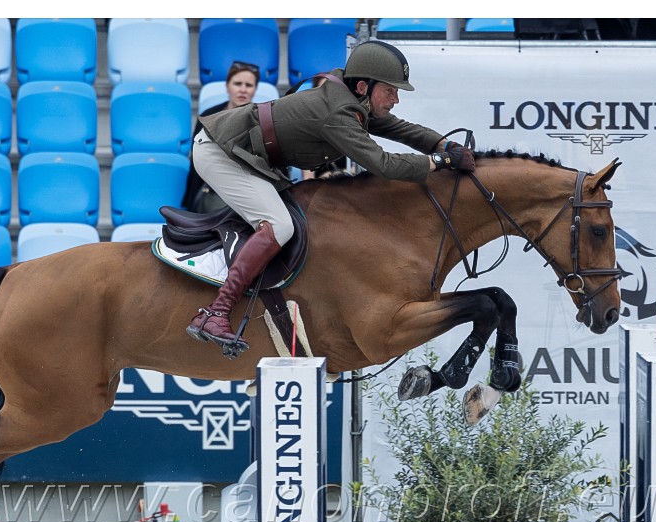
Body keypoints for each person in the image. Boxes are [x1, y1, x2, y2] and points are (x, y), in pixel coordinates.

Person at [186, 40, 475, 353]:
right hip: (220, 153)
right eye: (391, 91)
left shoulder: (353, 95)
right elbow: (383, 164)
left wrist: (445, 146)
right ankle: (215, 313)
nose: (395, 99)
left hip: (245, 154)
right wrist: (442, 162)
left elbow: (400, 129)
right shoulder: (338, 112)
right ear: (365, 86)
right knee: (280, 225)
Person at [182, 61, 261, 213]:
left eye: (249, 85)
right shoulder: (208, 116)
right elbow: (197, 163)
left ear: (255, 89)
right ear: (227, 86)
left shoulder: (262, 118)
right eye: (237, 83)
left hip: (250, 192)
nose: (243, 89)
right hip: (213, 190)